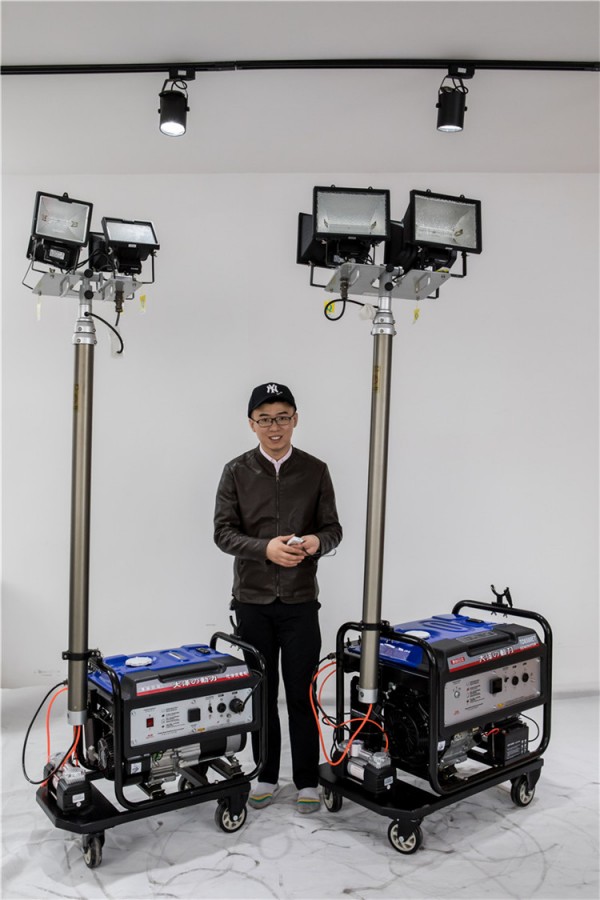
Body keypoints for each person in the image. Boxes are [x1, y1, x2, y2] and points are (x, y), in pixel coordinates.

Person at [214, 382, 342, 814]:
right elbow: (223, 533)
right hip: (252, 602)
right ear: (251, 424)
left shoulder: (315, 470)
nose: (275, 427)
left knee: (302, 694)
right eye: (265, 419)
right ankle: (265, 775)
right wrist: (264, 549)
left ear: (295, 419)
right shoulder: (236, 471)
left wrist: (316, 542)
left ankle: (307, 779)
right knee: (262, 694)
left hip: (301, 603)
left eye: (283, 417)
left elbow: (333, 529)